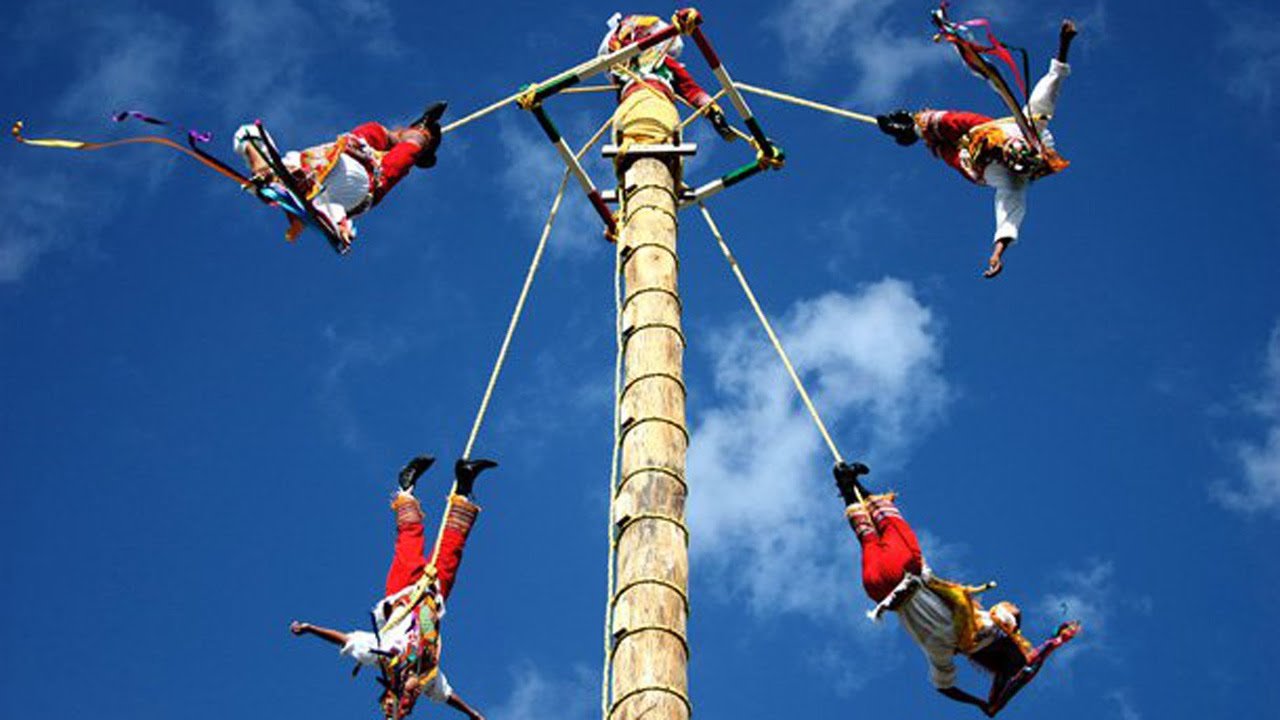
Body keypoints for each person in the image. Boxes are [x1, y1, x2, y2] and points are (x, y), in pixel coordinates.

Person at [833, 461, 1079, 716]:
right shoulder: (944, 651)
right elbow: (945, 687)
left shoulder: (987, 625)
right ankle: (848, 486)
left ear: (1006, 636)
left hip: (904, 573)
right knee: (867, 537)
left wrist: (1052, 642)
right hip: (877, 589)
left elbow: (1011, 624)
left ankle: (851, 484)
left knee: (891, 524)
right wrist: (983, 703)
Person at [290, 454, 496, 720]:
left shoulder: (382, 656)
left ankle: (405, 486)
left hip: (404, 590)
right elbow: (448, 696)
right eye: (409, 708)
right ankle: (464, 483)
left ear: (391, 693)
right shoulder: (428, 677)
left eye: (401, 705)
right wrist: (473, 714)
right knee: (452, 548)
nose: (409, 702)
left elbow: (347, 640)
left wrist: (310, 629)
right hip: (434, 596)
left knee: (409, 539)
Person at [877, 21, 1078, 278]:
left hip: (972, 164)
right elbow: (1050, 87)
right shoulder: (1029, 128)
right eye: (1011, 152)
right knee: (952, 122)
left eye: (1011, 160)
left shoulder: (1014, 181)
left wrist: (997, 254)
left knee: (947, 151)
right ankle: (914, 125)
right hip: (980, 131)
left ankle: (913, 134)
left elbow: (1009, 217)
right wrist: (1064, 44)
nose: (1008, 156)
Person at [233, 102, 446, 247]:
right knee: (247, 133)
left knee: (383, 152)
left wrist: (419, 138)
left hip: (354, 181)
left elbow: (397, 162)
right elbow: (387, 141)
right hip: (334, 179)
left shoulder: (386, 157)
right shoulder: (375, 137)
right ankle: (275, 176)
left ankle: (323, 208)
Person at [598, 11, 735, 145]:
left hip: (654, 98)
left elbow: (689, 87)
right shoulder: (621, 70)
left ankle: (711, 112)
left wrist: (712, 110)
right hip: (631, 104)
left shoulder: (662, 61)